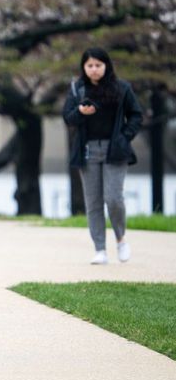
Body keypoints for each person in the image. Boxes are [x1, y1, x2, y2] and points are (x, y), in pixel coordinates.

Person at [62, 47, 143, 264]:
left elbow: (136, 115)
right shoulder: (77, 89)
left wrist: (124, 137)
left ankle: (121, 239)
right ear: (84, 67)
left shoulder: (121, 88)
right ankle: (100, 249)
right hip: (88, 151)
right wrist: (80, 112)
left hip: (115, 150)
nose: (94, 70)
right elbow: (68, 118)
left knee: (113, 198)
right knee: (94, 203)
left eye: (98, 65)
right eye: (90, 66)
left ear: (106, 66)